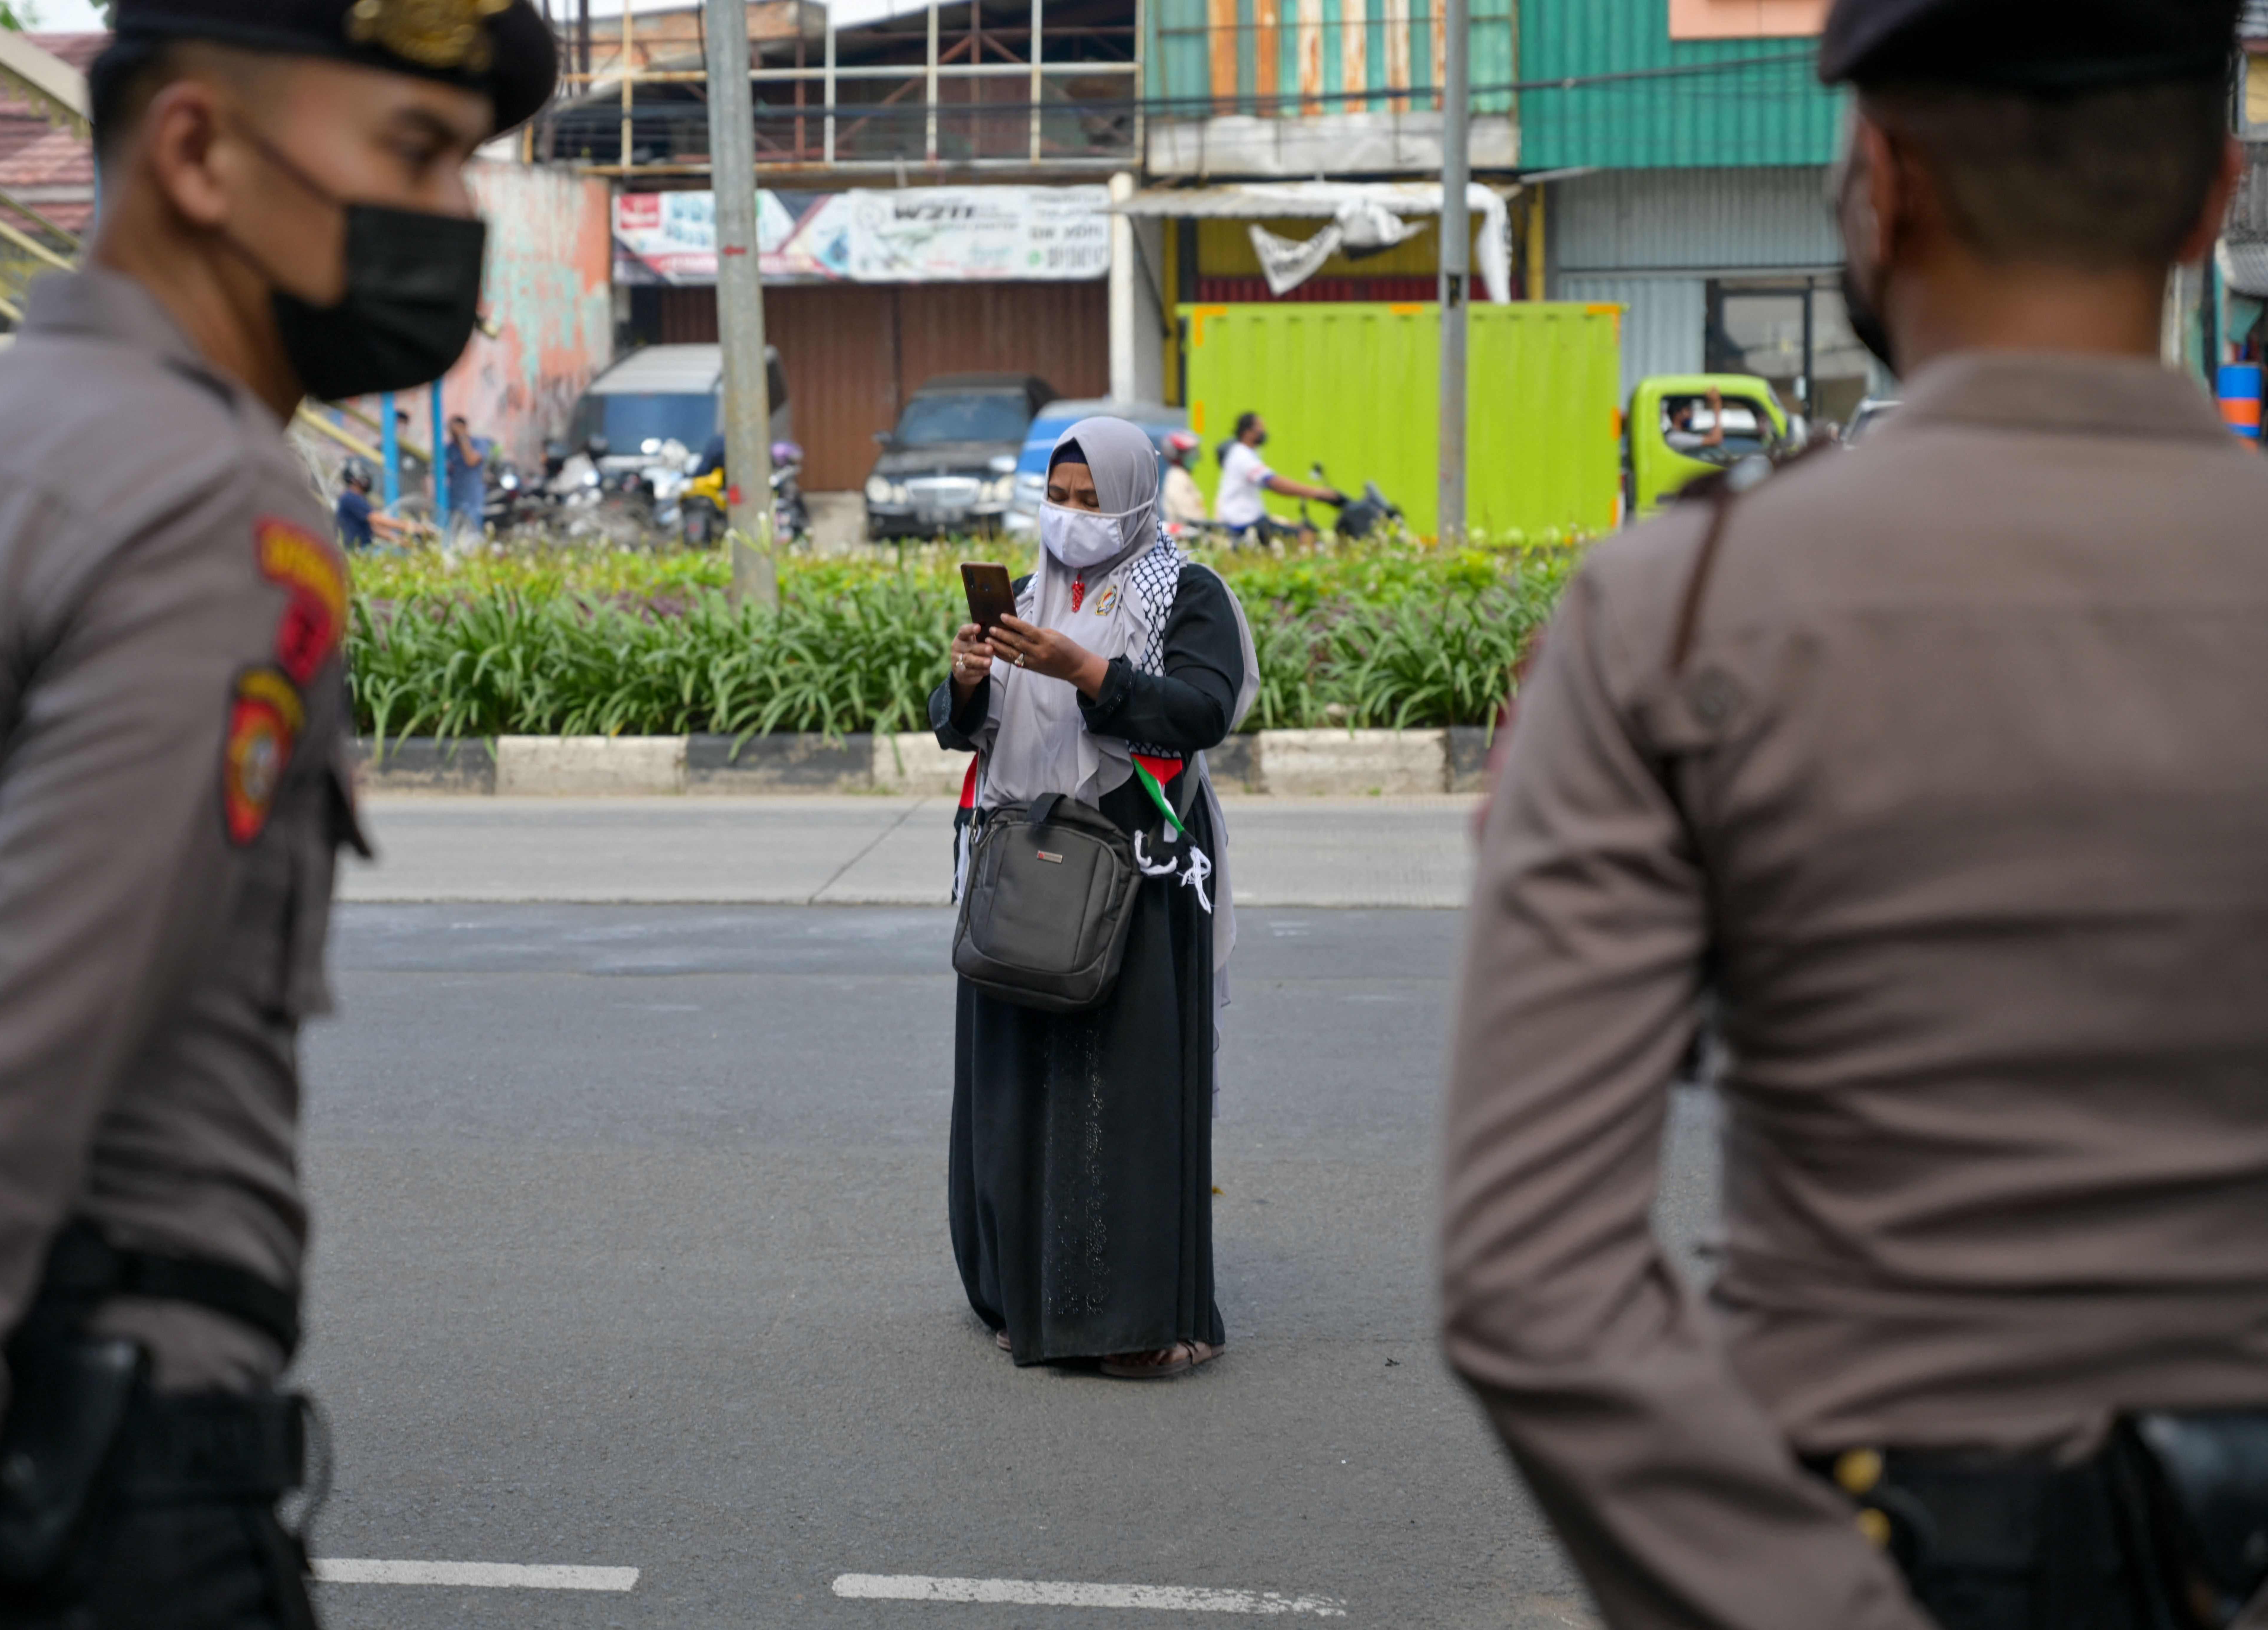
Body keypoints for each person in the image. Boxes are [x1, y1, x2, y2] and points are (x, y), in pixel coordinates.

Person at [1437, 2, 2268, 1629]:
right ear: (2210, 197)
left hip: (1874, 1532)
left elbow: (1529, 1286)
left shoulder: (1678, 611)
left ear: (1880, 185)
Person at [0, 3, 554, 1626]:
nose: (454, 218)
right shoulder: (202, 508)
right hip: (88, 1483)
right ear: (199, 150)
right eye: (415, 152)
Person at [932, 417, 1261, 1380]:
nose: (1072, 517)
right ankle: (1024, 1298)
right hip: (1022, 861)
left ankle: (1137, 1318)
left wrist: (1081, 668)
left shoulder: (1184, 592)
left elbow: (1202, 709)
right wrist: (963, 681)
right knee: (1016, 1084)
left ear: (1136, 500)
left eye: (1093, 500)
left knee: (1127, 1096)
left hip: (1135, 871)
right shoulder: (1031, 594)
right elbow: (965, 729)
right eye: (1058, 497)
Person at [1215, 411, 1341, 544]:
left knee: (1295, 528)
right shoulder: (1243, 456)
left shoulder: (1244, 453)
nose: (1264, 432)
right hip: (1245, 522)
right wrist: (1316, 493)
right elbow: (1273, 482)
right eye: (1260, 428)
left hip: (1250, 520)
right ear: (1248, 433)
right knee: (1306, 536)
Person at [334, 458, 411, 551]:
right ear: (355, 479)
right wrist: (410, 527)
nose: (368, 479)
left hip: (363, 548)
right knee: (397, 554)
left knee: (400, 552)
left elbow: (375, 529)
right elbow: (378, 519)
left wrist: (399, 540)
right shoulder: (350, 498)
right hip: (359, 550)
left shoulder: (356, 498)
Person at [444, 411, 493, 545]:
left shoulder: (479, 443)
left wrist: (462, 437)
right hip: (454, 498)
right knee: (454, 535)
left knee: (473, 533)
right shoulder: (449, 449)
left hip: (472, 496)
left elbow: (471, 460)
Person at [1159, 428, 1208, 534]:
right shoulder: (1177, 478)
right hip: (1183, 536)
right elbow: (1189, 516)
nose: (1195, 455)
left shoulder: (1182, 476)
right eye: (1190, 452)